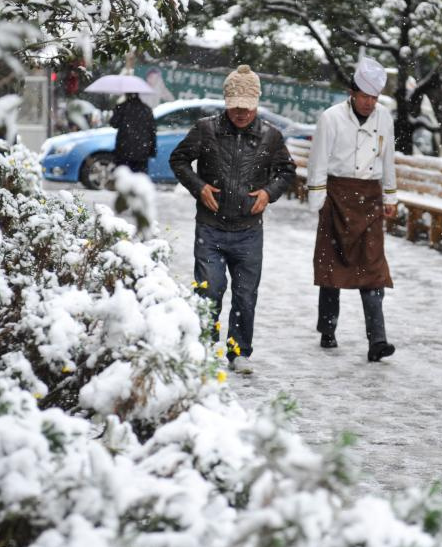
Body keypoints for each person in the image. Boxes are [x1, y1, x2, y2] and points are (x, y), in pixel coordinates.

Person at [169, 65, 296, 374]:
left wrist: (268, 192)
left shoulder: (270, 136)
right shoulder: (206, 129)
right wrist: (199, 188)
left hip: (249, 231)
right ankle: (205, 347)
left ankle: (239, 351)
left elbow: (287, 171)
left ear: (256, 104)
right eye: (235, 106)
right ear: (226, 103)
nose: (241, 113)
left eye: (247, 107)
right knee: (209, 288)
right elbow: (179, 159)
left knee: (245, 295)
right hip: (210, 227)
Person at [306, 56, 398, 363]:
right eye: (365, 96)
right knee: (332, 267)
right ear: (352, 93)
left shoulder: (384, 118)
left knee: (374, 270)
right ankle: (327, 328)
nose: (369, 103)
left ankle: (378, 340)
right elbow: (317, 160)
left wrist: (390, 197)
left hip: (369, 197)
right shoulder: (331, 118)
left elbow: (388, 159)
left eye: (374, 98)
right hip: (337, 195)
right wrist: (318, 201)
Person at [110, 93, 156, 173]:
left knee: (124, 178)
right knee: (140, 178)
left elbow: (114, 123)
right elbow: (152, 130)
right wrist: (152, 150)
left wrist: (116, 108)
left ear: (126, 95)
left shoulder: (122, 107)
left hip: (124, 150)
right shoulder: (146, 109)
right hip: (142, 150)